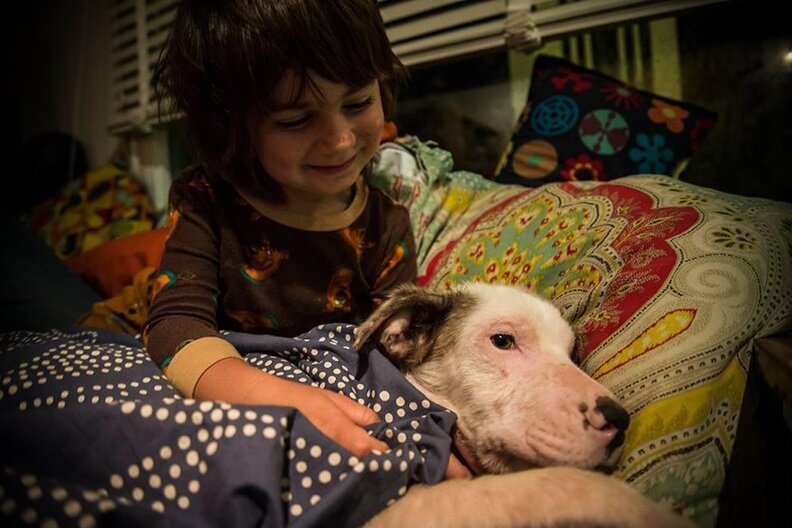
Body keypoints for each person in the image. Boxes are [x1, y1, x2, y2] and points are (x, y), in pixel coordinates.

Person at [145, 0, 425, 464]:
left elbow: (397, 352)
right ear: (231, 127)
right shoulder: (205, 198)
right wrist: (276, 395)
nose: (340, 140)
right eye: (296, 120)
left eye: (358, 103)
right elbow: (174, 324)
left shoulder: (387, 221)